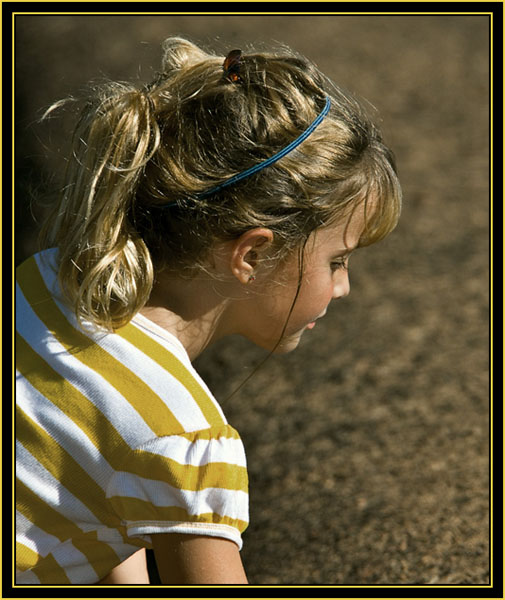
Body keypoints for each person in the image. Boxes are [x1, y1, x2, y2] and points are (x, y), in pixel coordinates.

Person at [15, 36, 402, 585]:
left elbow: (94, 501)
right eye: (337, 260)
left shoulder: (46, 280)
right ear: (252, 254)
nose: (344, 288)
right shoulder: (183, 437)